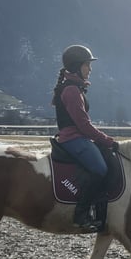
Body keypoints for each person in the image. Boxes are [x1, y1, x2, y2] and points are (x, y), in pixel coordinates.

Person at [52, 44, 119, 230]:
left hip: (77, 137)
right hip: (73, 139)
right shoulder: (72, 91)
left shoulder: (74, 88)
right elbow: (84, 125)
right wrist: (107, 140)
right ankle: (81, 215)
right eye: (87, 65)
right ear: (76, 66)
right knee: (100, 169)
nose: (90, 69)